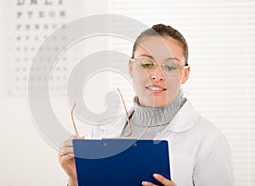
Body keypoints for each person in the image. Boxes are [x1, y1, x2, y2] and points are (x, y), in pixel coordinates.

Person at [58, 24, 234, 186]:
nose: (157, 75)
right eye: (147, 63)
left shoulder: (208, 140)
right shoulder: (102, 132)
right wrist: (75, 179)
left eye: (171, 66)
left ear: (185, 74)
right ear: (130, 67)